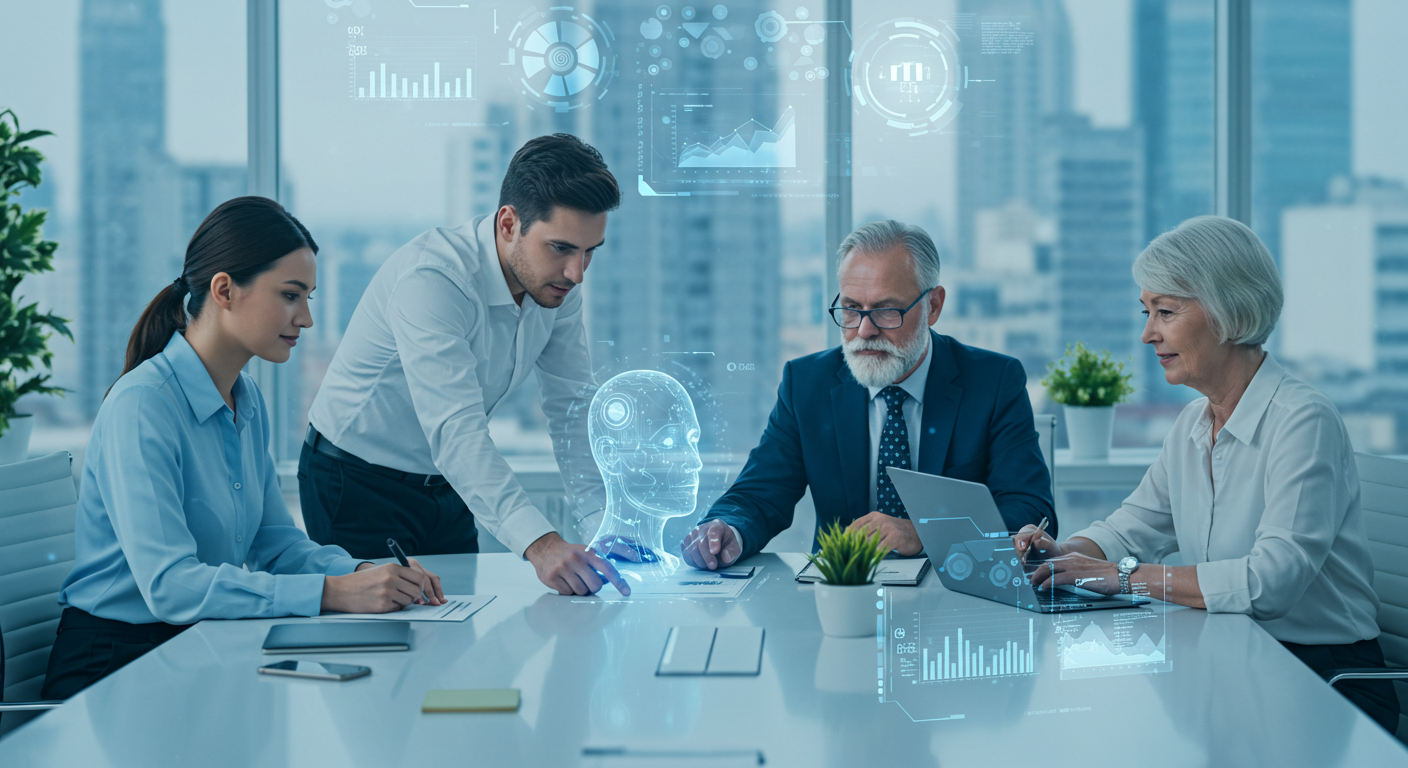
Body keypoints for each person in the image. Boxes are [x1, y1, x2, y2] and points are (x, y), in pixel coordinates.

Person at [43, 197, 444, 700]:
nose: (306, 319)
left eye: (309, 298)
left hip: (198, 644)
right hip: (115, 664)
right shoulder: (143, 406)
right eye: (290, 295)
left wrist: (363, 574)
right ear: (225, 290)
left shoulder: (246, 399)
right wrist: (331, 592)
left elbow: (276, 544)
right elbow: (169, 585)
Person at [1014, 215, 1399, 732]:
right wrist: (1068, 551)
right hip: (1234, 658)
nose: (1147, 334)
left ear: (1229, 310)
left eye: (1165, 312)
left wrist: (1125, 578)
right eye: (1146, 311)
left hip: (1325, 679)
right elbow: (1135, 526)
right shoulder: (1193, 424)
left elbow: (1270, 582)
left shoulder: (1304, 420)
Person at [301, 133, 631, 597]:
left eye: (590, 251)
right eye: (561, 248)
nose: (577, 273)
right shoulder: (434, 279)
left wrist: (602, 523)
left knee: (455, 638)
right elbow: (457, 430)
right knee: (382, 650)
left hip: (447, 483)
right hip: (356, 482)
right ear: (509, 224)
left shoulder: (556, 287)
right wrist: (541, 544)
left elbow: (572, 406)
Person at [681, 220, 1055, 570]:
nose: (864, 330)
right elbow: (760, 494)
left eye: (886, 310)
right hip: (843, 593)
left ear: (933, 306)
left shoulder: (993, 381)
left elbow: (1029, 508)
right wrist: (726, 528)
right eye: (851, 309)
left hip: (958, 594)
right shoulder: (807, 383)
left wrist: (923, 532)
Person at [585, 370, 704, 580]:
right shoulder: (613, 578)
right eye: (668, 443)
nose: (695, 462)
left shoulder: (671, 569)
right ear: (610, 455)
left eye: (692, 440)